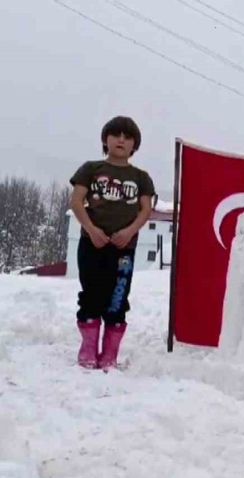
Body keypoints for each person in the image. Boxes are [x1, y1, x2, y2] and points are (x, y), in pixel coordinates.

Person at [69, 116, 155, 369]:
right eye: (116, 135)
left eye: (127, 137)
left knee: (118, 298)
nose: (121, 140)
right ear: (105, 140)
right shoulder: (90, 169)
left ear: (134, 146)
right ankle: (88, 349)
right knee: (91, 294)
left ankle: (110, 354)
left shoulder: (141, 177)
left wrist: (129, 232)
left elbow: (146, 210)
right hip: (91, 244)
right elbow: (76, 202)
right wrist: (91, 229)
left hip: (124, 248)